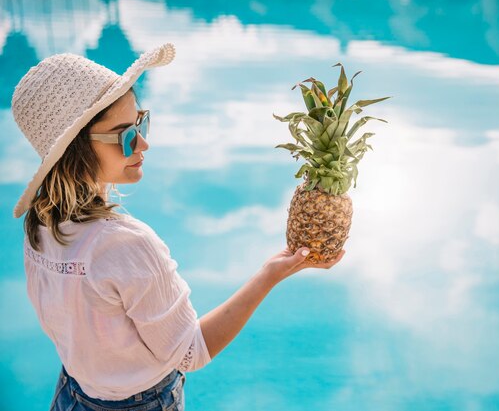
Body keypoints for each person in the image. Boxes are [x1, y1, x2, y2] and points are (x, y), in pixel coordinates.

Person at [11, 43, 345, 411]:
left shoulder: (40, 225)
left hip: (73, 394)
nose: (144, 143)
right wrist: (270, 274)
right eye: (125, 135)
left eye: (141, 122)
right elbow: (190, 353)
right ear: (76, 150)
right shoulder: (125, 245)